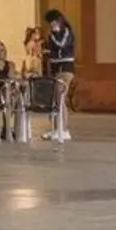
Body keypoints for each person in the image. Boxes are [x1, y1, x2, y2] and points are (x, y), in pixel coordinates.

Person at [42, 9, 75, 141]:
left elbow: (62, 44)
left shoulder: (66, 32)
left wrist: (55, 35)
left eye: (53, 22)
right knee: (55, 100)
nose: (51, 25)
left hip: (66, 68)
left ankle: (64, 129)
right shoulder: (52, 34)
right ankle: (55, 128)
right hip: (56, 68)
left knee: (60, 99)